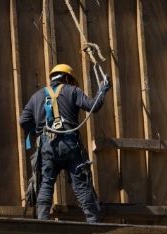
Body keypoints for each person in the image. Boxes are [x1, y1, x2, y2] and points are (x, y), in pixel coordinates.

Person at [19, 63, 111, 223]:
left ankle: (43, 220)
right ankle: (93, 222)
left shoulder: (37, 96)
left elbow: (23, 120)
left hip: (48, 145)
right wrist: (102, 90)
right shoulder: (73, 91)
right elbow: (93, 106)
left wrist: (39, 131)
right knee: (81, 183)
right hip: (70, 144)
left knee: (46, 181)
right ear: (67, 78)